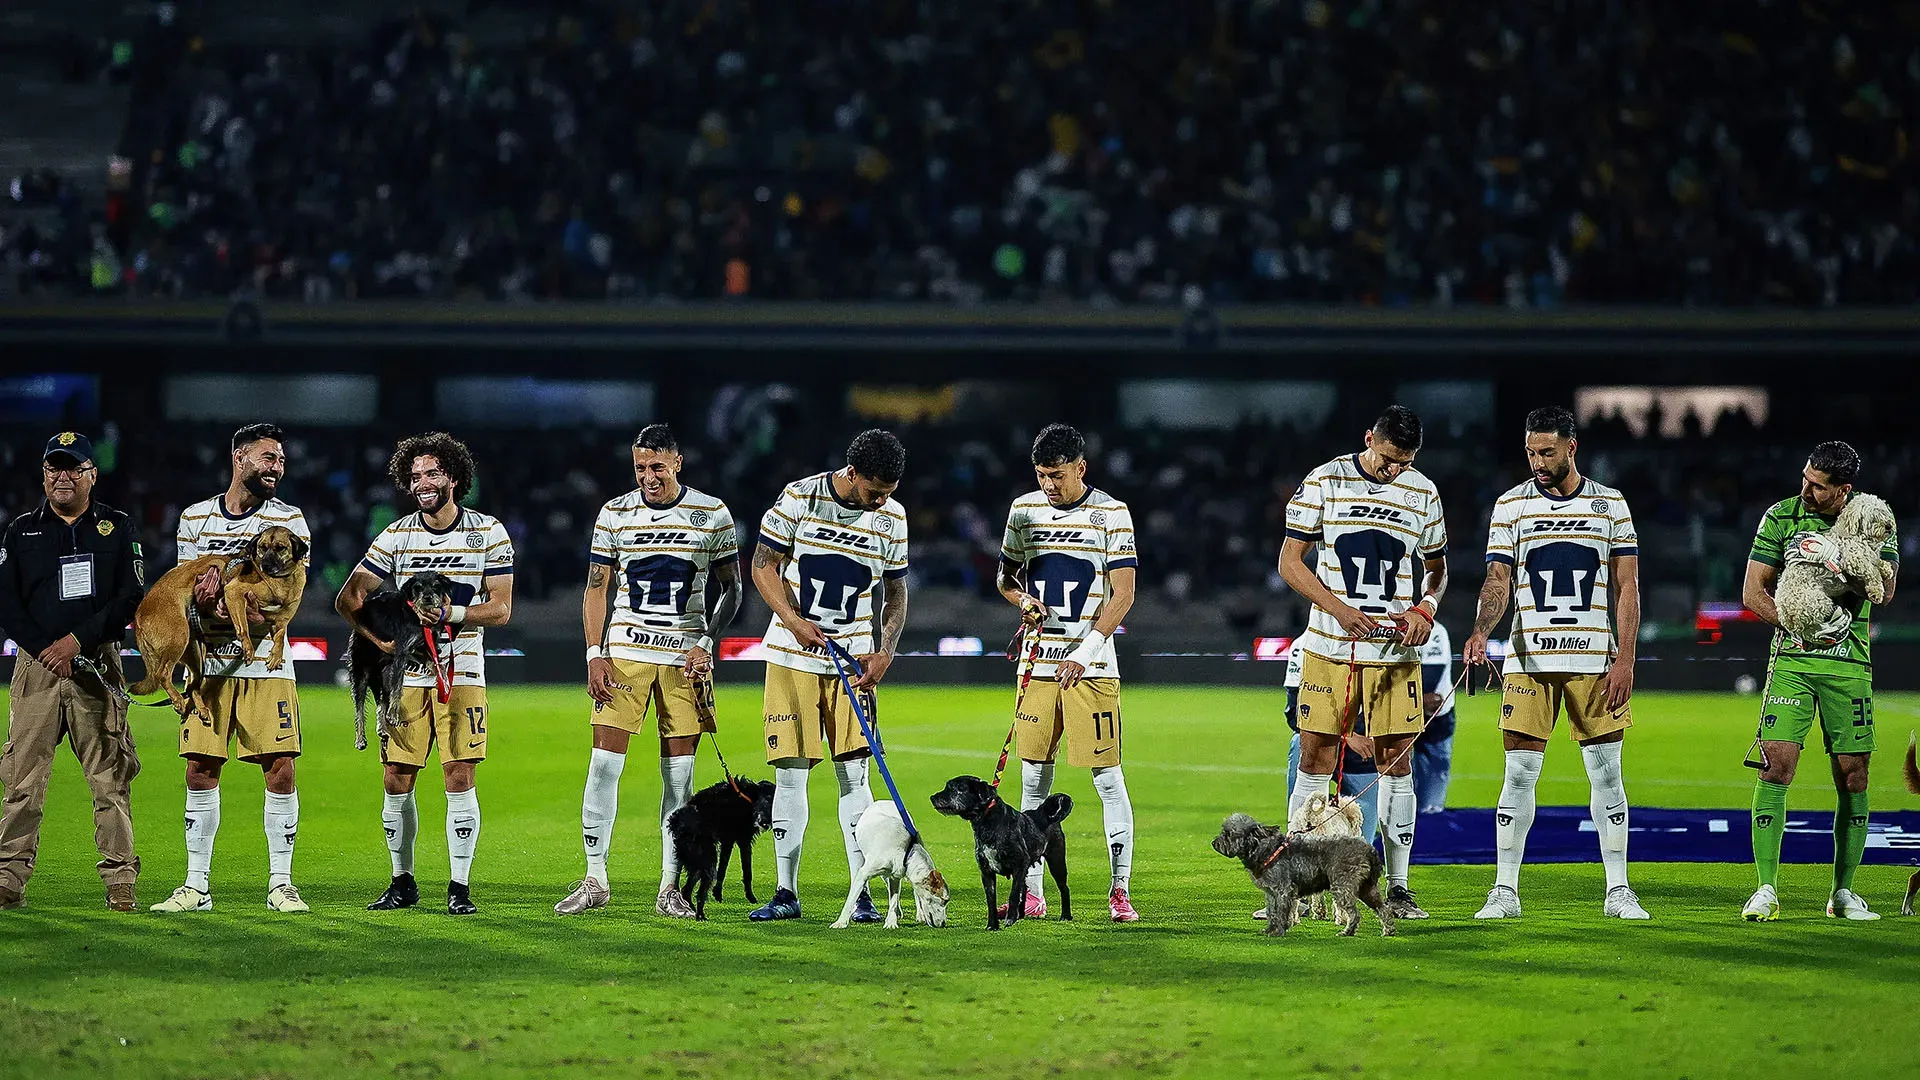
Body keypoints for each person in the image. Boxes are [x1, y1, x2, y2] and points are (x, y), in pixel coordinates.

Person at [1463, 406, 1647, 920]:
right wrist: (1482, 630)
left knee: (1607, 774)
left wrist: (1626, 659)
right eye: (1530, 451)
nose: (1537, 461)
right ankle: (1505, 890)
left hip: (1595, 660)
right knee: (1518, 775)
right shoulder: (1509, 506)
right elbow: (1498, 580)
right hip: (1528, 659)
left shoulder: (1611, 504)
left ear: (1572, 447)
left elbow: (1626, 586)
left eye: (1546, 451)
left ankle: (1618, 890)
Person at [556, 424, 742, 917]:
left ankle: (669, 888)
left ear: (678, 462)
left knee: (677, 780)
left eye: (657, 467)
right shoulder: (615, 513)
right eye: (640, 467)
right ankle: (595, 878)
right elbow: (597, 588)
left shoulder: (712, 513)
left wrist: (706, 642)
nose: (648, 477)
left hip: (685, 658)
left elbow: (733, 589)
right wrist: (594, 654)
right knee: (603, 765)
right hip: (626, 651)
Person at [1278, 405, 1448, 920]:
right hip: (1330, 645)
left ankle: (1398, 889)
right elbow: (1290, 562)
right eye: (1389, 458)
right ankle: (1295, 886)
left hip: (1395, 652)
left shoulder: (1424, 492)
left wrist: (1426, 607)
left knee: (1396, 766)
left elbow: (1438, 569)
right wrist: (1341, 611)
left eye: (1406, 461)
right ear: (1367, 437)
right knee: (1314, 761)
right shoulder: (1325, 480)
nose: (1395, 470)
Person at [335, 432, 514, 916]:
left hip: (462, 672)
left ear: (454, 477)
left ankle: (459, 889)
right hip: (406, 679)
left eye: (432, 473)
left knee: (458, 774)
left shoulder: (489, 531)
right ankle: (402, 882)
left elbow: (499, 609)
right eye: (414, 477)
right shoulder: (395, 536)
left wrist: (452, 615)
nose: (423, 483)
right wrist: (381, 645)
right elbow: (348, 599)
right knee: (396, 776)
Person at [746, 429, 910, 922]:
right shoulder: (799, 497)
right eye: (874, 490)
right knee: (791, 774)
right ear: (852, 473)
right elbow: (761, 566)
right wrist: (794, 622)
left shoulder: (893, 518)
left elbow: (897, 594)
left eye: (890, 491)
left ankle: (859, 894)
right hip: (793, 658)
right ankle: (785, 892)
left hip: (854, 665)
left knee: (855, 778)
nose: (882, 501)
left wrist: (885, 651)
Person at [151, 423, 313, 915]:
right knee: (200, 769)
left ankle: (281, 884)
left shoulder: (291, 520)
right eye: (268, 458)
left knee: (280, 768)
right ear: (239, 458)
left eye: (281, 460)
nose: (276, 467)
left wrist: (225, 603)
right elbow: (184, 595)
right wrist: (207, 609)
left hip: (268, 666)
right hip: (209, 668)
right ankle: (195, 887)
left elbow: (284, 601)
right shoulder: (194, 518)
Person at [1738, 440, 1897, 922]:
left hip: (1849, 666)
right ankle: (1765, 887)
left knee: (1854, 775)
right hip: (1793, 660)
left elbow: (1885, 591)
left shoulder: (1871, 519)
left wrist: (1844, 560)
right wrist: (1796, 626)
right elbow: (1752, 591)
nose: (1805, 489)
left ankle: (1843, 893)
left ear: (1843, 490)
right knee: (1776, 766)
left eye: (1818, 486)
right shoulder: (1781, 516)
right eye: (1805, 478)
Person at [996, 423, 1142, 922]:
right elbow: (1005, 576)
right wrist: (1023, 600)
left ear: (1081, 467)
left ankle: (1119, 890)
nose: (1048, 485)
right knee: (1032, 781)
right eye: (1041, 475)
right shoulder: (1023, 510)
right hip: (1036, 665)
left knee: (1106, 779)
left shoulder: (1112, 513)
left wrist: (1087, 648)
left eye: (1057, 475)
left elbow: (1123, 594)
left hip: (1093, 667)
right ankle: (1031, 891)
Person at [0, 432, 146, 911]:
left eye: (72, 467)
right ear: (44, 475)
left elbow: (130, 596)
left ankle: (120, 880)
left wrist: (76, 641)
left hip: (95, 662)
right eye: (53, 468)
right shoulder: (20, 531)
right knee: (23, 780)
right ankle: (9, 878)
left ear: (92, 474)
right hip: (37, 668)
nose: (62, 476)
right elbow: (6, 603)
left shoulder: (118, 527)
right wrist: (47, 648)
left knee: (109, 777)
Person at [1413, 620, 1457, 814]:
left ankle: (1430, 820)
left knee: (1433, 774)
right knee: (1396, 777)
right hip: (1401, 711)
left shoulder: (1435, 630)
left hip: (1435, 718)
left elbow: (1430, 678)